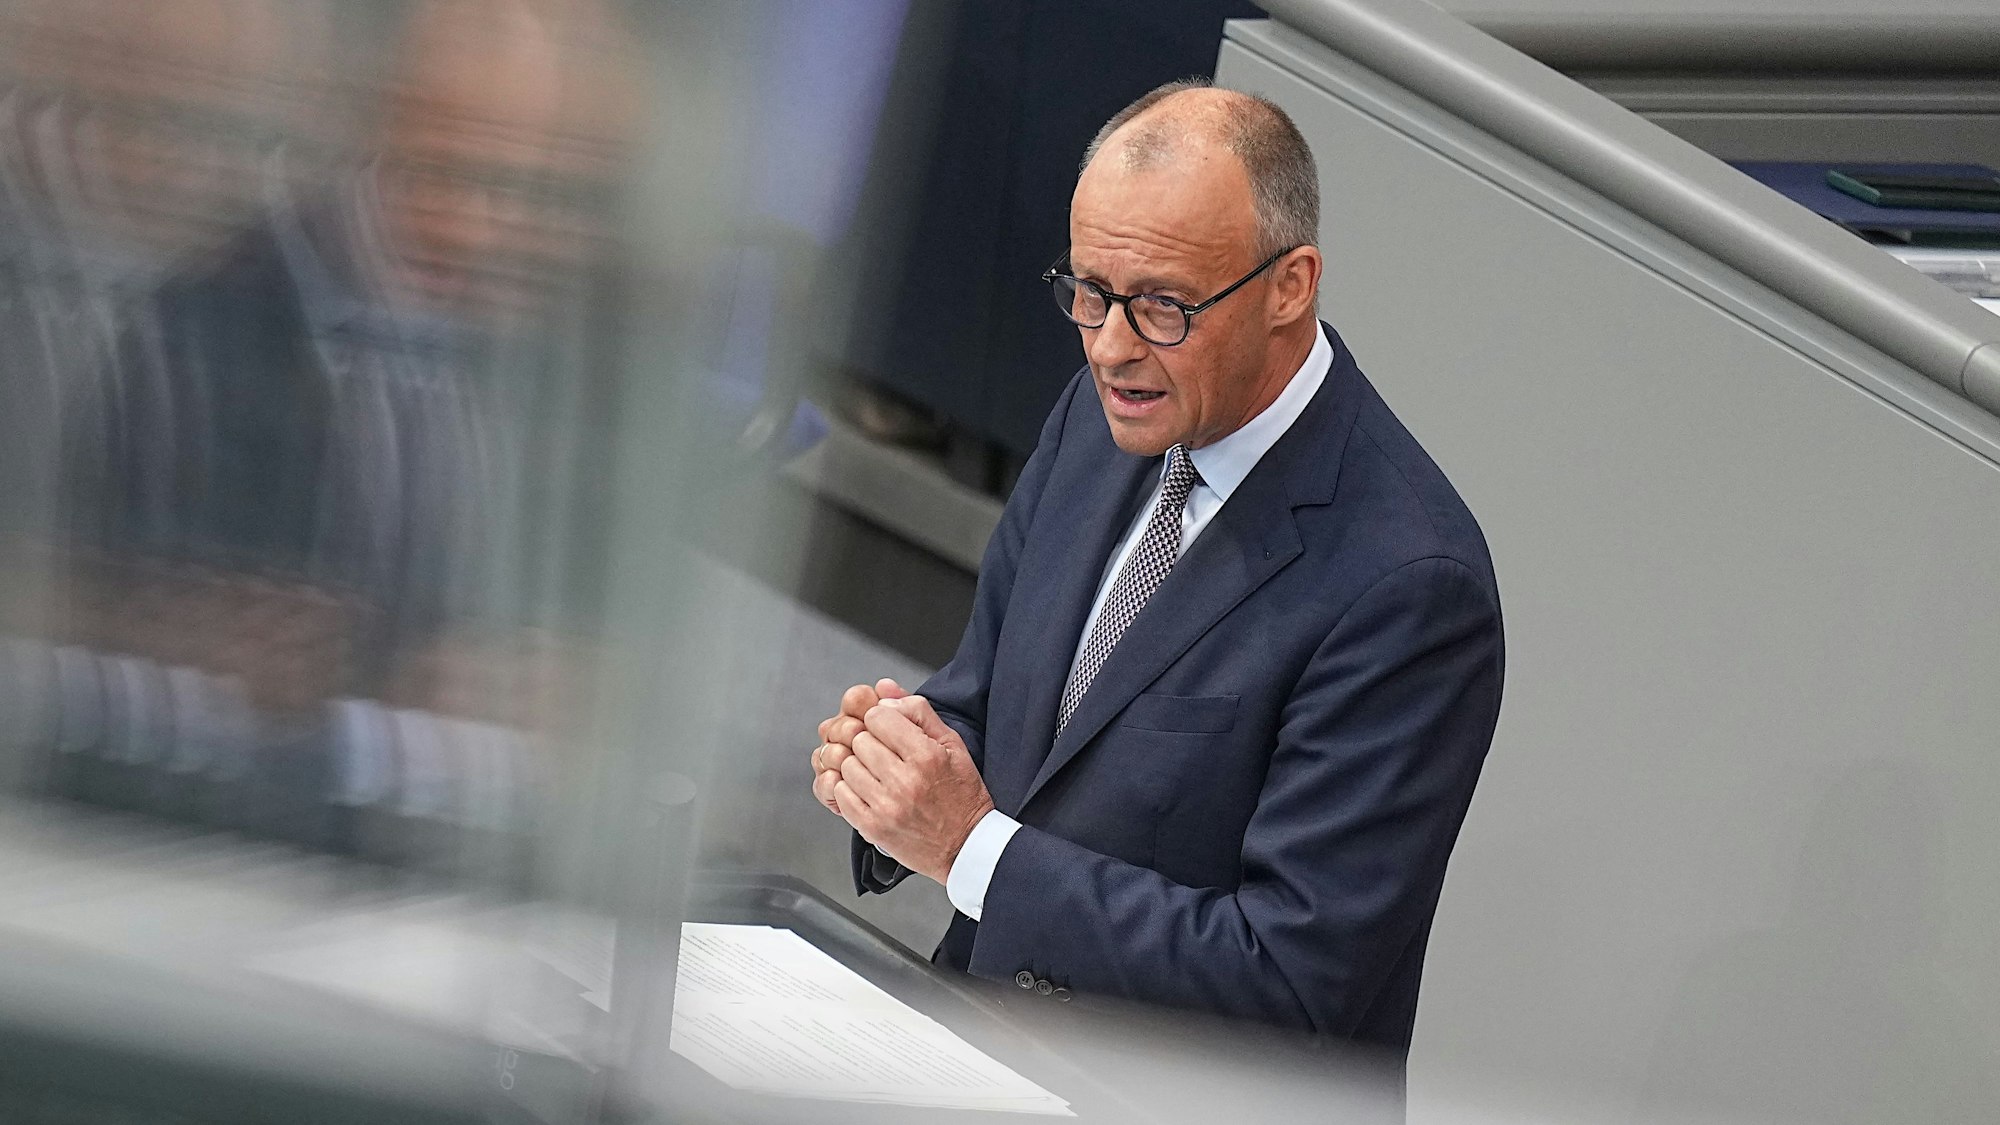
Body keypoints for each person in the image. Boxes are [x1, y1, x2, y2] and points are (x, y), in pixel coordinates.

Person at [810, 80, 1503, 1055]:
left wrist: (970, 848)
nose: (1109, 348)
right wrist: (896, 770)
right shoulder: (1101, 419)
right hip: (973, 1039)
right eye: (1088, 293)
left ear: (1290, 286)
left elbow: (1289, 978)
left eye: (1163, 307)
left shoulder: (1412, 584)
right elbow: (991, 699)